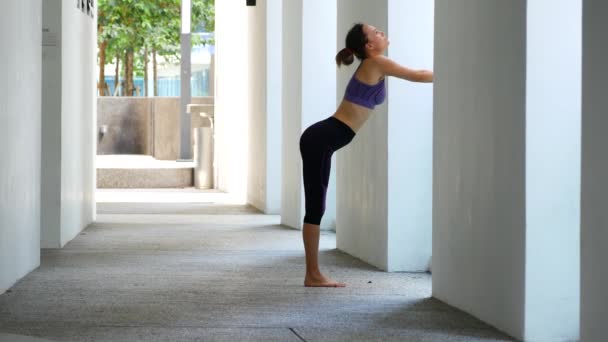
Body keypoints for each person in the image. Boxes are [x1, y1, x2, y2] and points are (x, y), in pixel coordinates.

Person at [299, 23, 433, 287]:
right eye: (376, 32)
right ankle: (312, 274)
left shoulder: (373, 64)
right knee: (316, 207)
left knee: (316, 206)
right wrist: (453, 72)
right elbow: (417, 75)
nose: (381, 32)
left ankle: (312, 273)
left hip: (324, 137)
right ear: (369, 46)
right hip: (322, 138)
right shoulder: (377, 63)